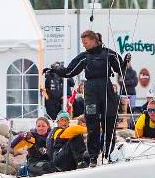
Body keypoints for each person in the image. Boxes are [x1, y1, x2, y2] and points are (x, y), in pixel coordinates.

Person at [43, 30, 130, 167]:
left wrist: (125, 61)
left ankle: (108, 153)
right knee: (92, 125)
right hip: (91, 90)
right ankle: (93, 157)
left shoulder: (109, 54)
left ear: (94, 40)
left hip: (106, 88)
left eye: (85, 42)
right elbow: (70, 71)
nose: (84, 45)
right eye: (83, 43)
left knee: (110, 121)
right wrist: (55, 70)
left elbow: (120, 69)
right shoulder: (84, 57)